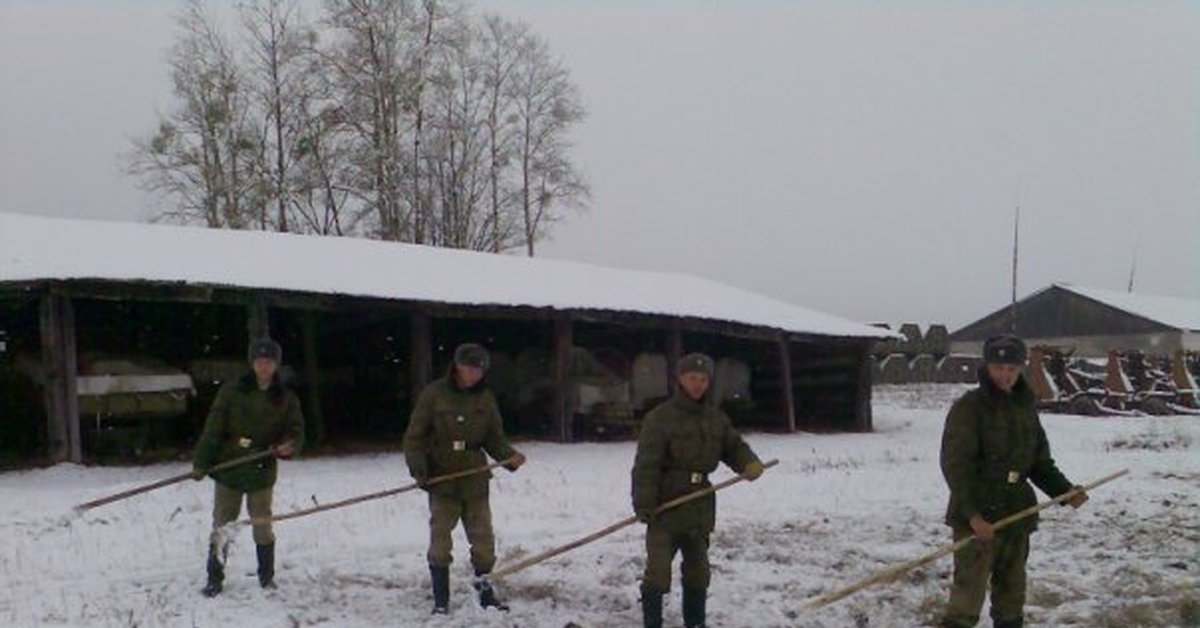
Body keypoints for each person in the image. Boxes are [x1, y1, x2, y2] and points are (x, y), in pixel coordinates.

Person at [939, 334, 1088, 628]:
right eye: (999, 367)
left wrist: (1065, 491)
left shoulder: (1025, 408)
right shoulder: (969, 407)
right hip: (978, 516)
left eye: (1011, 368)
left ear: (1020, 369)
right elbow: (956, 466)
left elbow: (1039, 462)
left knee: (1012, 595)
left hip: (1016, 512)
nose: (1005, 375)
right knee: (967, 598)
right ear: (988, 367)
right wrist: (973, 514)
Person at [631, 352, 765, 628]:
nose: (698, 384)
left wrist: (748, 462)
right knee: (657, 574)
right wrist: (644, 503)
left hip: (700, 505)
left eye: (703, 379)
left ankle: (696, 624)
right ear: (680, 379)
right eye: (692, 378)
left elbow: (733, 446)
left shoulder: (715, 418)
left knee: (698, 572)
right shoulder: (661, 418)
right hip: (665, 506)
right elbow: (647, 465)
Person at [403, 343, 526, 615]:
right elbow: (414, 438)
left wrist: (509, 457)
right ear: (457, 366)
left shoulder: (486, 398)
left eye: (480, 370)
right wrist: (420, 470)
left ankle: (485, 593)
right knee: (440, 542)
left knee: (483, 542)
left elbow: (494, 438)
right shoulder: (434, 395)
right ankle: (441, 600)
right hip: (442, 478)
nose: (475, 374)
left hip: (475, 479)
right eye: (470, 368)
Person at [192, 337, 304, 597]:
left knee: (262, 524)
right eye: (259, 361)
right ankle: (214, 578)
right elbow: (213, 429)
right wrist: (201, 462)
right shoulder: (232, 392)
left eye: (269, 362)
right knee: (222, 524)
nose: (264, 366)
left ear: (276, 365)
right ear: (252, 363)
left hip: (261, 471)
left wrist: (289, 446)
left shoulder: (285, 398)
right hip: (229, 468)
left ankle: (267, 577)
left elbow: (296, 431)